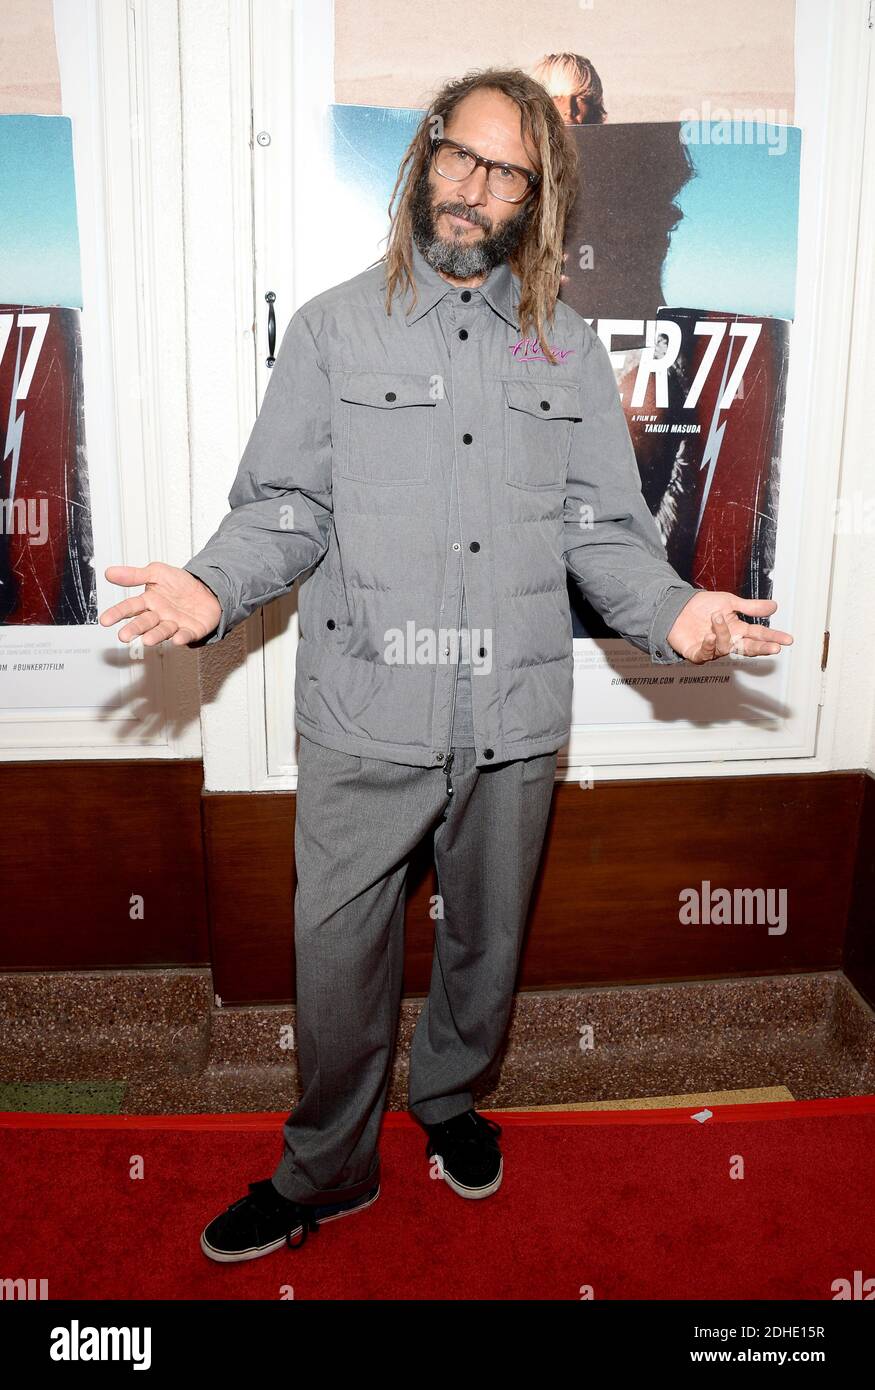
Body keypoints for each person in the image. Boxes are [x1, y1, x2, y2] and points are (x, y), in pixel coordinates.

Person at [99, 68, 793, 1264]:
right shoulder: (329, 328)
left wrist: (673, 613)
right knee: (335, 955)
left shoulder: (565, 350)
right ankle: (325, 1167)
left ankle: (451, 1101)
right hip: (364, 711)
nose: (472, 189)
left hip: (515, 713)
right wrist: (214, 584)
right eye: (455, 158)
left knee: (485, 939)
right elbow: (287, 506)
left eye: (504, 171)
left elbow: (600, 531)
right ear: (422, 161)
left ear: (538, 196)